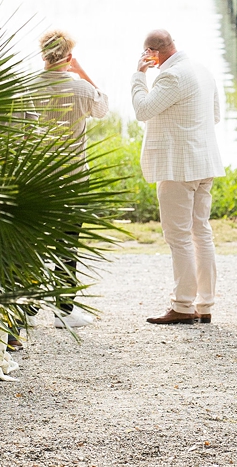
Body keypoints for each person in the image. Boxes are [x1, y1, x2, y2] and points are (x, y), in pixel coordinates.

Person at [131, 29, 223, 326]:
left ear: (152, 52)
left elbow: (143, 110)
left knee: (179, 236)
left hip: (178, 167)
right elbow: (215, 116)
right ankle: (204, 304)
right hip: (204, 164)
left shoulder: (170, 76)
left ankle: (183, 304)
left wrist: (138, 76)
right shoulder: (202, 70)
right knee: (201, 232)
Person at [37, 28, 110, 328]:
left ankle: (26, 310)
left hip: (36, 178)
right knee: (67, 243)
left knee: (34, 243)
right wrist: (81, 71)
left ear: (43, 55)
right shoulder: (81, 88)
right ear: (68, 56)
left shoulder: (27, 87)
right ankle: (63, 312)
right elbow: (103, 108)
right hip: (73, 178)